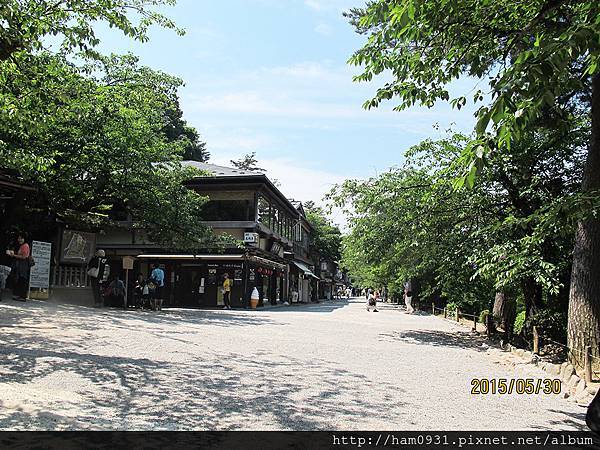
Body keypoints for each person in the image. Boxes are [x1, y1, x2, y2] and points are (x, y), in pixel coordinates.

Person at [7, 234, 31, 301]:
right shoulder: (22, 246)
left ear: (24, 239)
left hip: (23, 265)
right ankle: (18, 295)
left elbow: (24, 257)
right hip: (20, 265)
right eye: (18, 238)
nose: (19, 240)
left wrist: (14, 255)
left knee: (22, 279)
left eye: (21, 238)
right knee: (19, 279)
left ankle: (22, 296)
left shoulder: (25, 246)